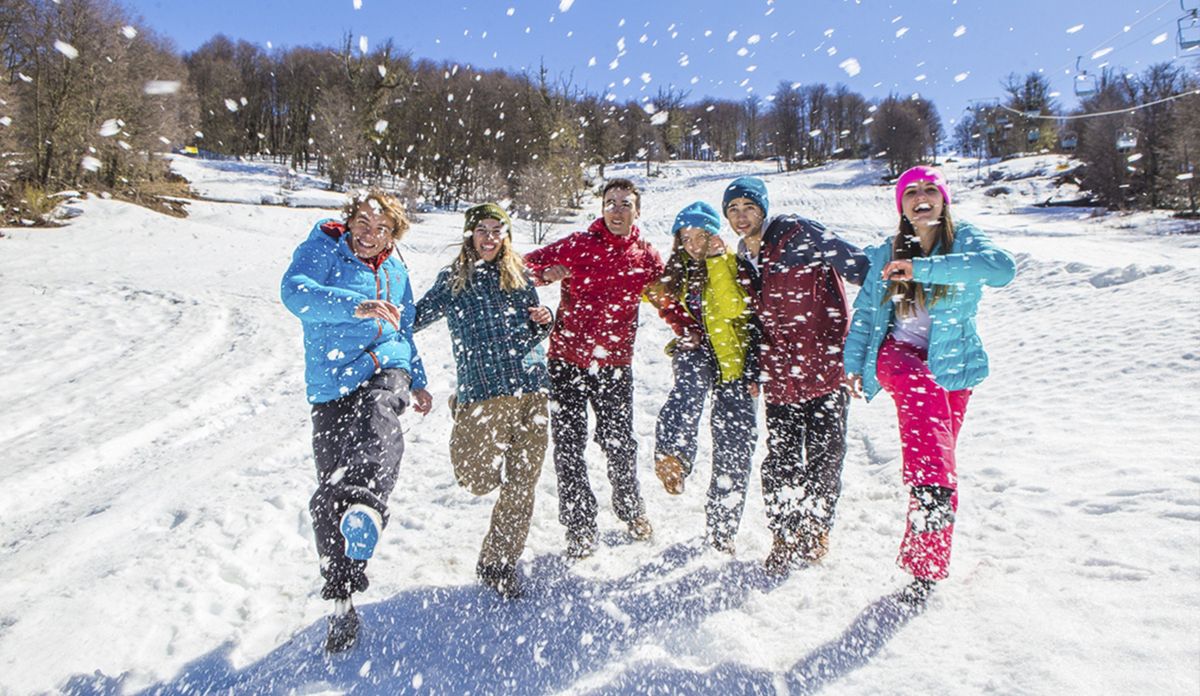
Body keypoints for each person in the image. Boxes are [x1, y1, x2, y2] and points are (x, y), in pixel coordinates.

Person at [844, 166, 1015, 603]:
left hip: (952, 362)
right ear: (901, 205)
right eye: (911, 192)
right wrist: (852, 362)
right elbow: (866, 311)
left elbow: (1001, 270)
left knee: (938, 454)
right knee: (934, 467)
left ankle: (926, 567)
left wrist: (922, 268)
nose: (921, 198)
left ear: (943, 199)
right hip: (899, 356)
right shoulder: (887, 252)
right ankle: (933, 499)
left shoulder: (966, 241)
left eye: (929, 190)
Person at [280, 189, 433, 652]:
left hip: (384, 366)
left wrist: (418, 376)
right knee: (330, 494)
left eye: (381, 227)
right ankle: (342, 599)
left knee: (379, 418)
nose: (369, 234)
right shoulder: (324, 246)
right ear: (349, 222)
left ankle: (366, 500)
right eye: (363, 224)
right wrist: (354, 304)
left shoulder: (396, 268)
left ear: (394, 233)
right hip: (330, 382)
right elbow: (295, 293)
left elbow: (402, 328)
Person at [723, 175, 867, 575]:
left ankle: (816, 528)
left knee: (824, 455)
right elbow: (755, 322)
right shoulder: (743, 259)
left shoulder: (798, 233)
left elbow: (861, 268)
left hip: (824, 368)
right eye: (733, 209)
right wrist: (755, 365)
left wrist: (867, 343)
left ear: (763, 209)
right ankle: (784, 534)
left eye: (748, 207)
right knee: (781, 460)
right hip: (780, 374)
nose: (741, 216)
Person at [413, 203, 554, 599]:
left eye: (497, 230)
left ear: (506, 236)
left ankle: (499, 562)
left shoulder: (520, 275)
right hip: (482, 391)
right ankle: (462, 415)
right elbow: (414, 319)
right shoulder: (454, 280)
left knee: (521, 484)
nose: (490, 237)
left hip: (531, 388)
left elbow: (534, 326)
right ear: (469, 235)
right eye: (482, 230)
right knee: (475, 479)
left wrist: (546, 318)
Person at [523, 178, 664, 559]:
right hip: (567, 360)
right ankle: (580, 525)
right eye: (610, 203)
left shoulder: (645, 256)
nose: (616, 210)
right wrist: (546, 275)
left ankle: (631, 508)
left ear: (637, 211)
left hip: (615, 364)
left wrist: (690, 329)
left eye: (625, 203)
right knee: (569, 445)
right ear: (601, 208)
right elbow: (522, 268)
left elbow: (669, 297)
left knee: (619, 443)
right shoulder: (578, 245)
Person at [649, 201, 757, 555]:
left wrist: (716, 262)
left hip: (733, 362)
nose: (693, 244)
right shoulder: (677, 270)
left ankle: (722, 530)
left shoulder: (730, 264)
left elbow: (732, 308)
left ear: (715, 235)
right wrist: (684, 329)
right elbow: (663, 302)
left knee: (734, 445)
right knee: (688, 389)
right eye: (685, 237)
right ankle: (673, 457)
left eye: (700, 235)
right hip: (696, 352)